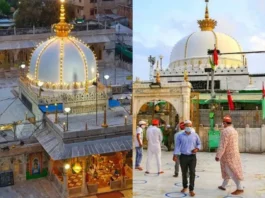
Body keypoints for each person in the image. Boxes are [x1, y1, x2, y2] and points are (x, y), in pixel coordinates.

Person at [216, 116, 244, 195]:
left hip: (227, 155)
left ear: (225, 123)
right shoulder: (234, 130)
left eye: (223, 123)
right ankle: (223, 185)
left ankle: (240, 188)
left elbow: (222, 144)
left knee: (230, 171)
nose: (222, 124)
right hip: (234, 153)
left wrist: (218, 155)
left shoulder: (225, 131)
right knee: (227, 170)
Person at [173, 120, 201, 197]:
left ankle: (191, 189)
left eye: (189, 126)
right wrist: (175, 155)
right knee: (184, 173)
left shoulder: (195, 135)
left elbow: (199, 144)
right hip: (183, 156)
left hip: (192, 157)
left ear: (191, 126)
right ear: (184, 126)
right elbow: (177, 146)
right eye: (186, 126)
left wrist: (197, 149)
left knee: (192, 172)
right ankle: (185, 186)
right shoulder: (180, 136)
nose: (188, 127)